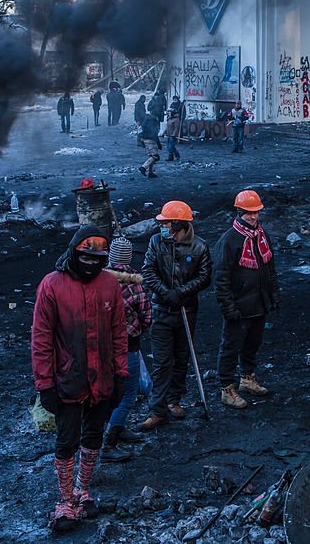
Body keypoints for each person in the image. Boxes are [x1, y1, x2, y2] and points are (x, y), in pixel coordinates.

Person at [31, 225, 127, 530]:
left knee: (93, 436)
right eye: (85, 256)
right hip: (67, 379)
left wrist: (121, 373)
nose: (91, 263)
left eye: (97, 258)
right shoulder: (52, 285)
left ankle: (82, 491)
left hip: (102, 378)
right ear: (74, 252)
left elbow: (119, 333)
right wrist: (44, 383)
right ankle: (65, 501)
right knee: (66, 440)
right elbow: (41, 338)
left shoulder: (109, 285)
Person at [139, 200, 212, 430]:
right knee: (162, 363)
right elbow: (147, 270)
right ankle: (157, 410)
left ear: (179, 224)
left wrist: (180, 292)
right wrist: (165, 293)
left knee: (182, 359)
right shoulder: (156, 241)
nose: (163, 225)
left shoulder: (199, 247)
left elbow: (205, 277)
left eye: (167, 222)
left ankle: (174, 400)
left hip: (186, 312)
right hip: (161, 311)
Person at [214, 190, 280, 410]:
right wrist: (228, 307)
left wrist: (273, 295)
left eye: (256, 213)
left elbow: (270, 268)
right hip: (239, 306)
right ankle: (227, 388)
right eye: (248, 213)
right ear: (239, 212)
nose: (253, 217)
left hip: (258, 303)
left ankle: (247, 378)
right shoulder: (229, 241)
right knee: (231, 347)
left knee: (253, 343)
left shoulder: (261, 236)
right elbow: (221, 278)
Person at [100, 237, 152, 463]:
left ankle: (115, 428)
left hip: (99, 348)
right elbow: (147, 316)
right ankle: (108, 444)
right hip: (127, 347)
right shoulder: (135, 285)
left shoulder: (97, 282)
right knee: (127, 394)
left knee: (105, 393)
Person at [138, 114, 162, 179]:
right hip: (151, 141)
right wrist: (159, 144)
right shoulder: (153, 123)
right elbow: (154, 134)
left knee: (151, 156)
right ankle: (143, 167)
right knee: (155, 157)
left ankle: (150, 172)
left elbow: (140, 133)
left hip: (145, 140)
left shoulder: (145, 121)